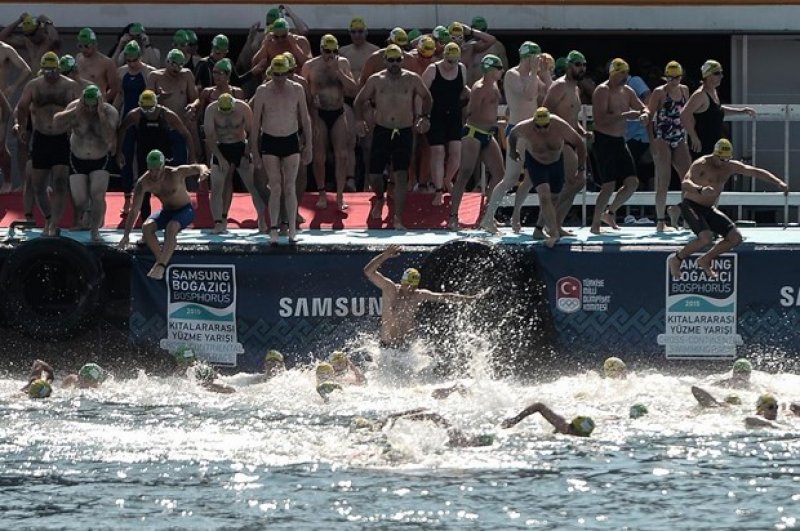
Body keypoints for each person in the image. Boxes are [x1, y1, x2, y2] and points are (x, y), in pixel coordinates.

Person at [668, 139, 788, 279]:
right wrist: (700, 190)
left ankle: (705, 259)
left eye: (727, 159)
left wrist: (778, 182)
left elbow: (755, 172)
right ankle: (676, 259)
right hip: (691, 205)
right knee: (706, 238)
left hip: (708, 209)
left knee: (735, 237)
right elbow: (685, 183)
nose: (724, 163)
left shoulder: (730, 166)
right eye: (721, 159)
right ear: (714, 155)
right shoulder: (702, 164)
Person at [354, 44, 432, 229]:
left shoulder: (412, 79)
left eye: (398, 60)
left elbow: (427, 97)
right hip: (382, 129)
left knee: (401, 174)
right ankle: (380, 198)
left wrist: (424, 117)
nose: (395, 64)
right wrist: (359, 121)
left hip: (404, 130)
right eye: (391, 60)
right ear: (385, 61)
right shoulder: (376, 80)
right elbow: (359, 101)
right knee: (374, 175)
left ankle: (397, 217)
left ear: (402, 60)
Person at [487, 107, 586, 247]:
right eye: (538, 127)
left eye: (545, 126)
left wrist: (581, 169)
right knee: (544, 196)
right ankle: (553, 233)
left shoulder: (559, 125)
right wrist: (513, 152)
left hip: (556, 163)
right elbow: (513, 134)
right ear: (533, 123)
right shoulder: (525, 127)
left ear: (550, 122)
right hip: (536, 163)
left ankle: (539, 229)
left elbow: (580, 144)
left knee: (554, 198)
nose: (542, 130)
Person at [363, 244, 488, 348]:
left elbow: (445, 297)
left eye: (413, 287)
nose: (410, 290)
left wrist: (469, 299)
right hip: (387, 347)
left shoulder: (418, 295)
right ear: (402, 282)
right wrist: (384, 256)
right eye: (408, 286)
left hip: (407, 348)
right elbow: (368, 271)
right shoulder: (390, 289)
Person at [14, 51, 80, 235]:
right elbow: (21, 106)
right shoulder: (34, 85)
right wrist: (21, 128)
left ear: (59, 68)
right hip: (41, 137)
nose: (51, 74)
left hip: (62, 138)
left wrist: (76, 131)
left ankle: (53, 224)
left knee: (60, 182)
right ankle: (49, 217)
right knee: (38, 186)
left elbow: (81, 108)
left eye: (54, 70)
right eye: (47, 70)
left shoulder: (70, 86)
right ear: (42, 70)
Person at [118, 149, 210, 280]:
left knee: (171, 228)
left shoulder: (175, 173)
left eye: (157, 169)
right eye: (151, 170)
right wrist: (126, 235)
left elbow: (198, 166)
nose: (154, 174)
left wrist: (203, 171)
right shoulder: (143, 182)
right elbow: (134, 211)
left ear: (163, 166)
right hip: (166, 212)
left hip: (185, 210)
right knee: (146, 228)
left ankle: (160, 265)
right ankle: (161, 262)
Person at [251, 54, 313, 244]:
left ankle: (292, 228)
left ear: (288, 72)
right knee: (275, 187)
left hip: (290, 140)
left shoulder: (297, 89)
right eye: (275, 75)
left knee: (289, 187)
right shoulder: (262, 91)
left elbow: (305, 118)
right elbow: (255, 124)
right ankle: (275, 228)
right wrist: (254, 150)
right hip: (270, 140)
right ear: (271, 73)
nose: (279, 79)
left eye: (282, 75)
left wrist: (309, 145)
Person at [590, 58, 649, 234]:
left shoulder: (628, 91)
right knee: (608, 185)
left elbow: (642, 107)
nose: (625, 77)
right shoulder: (602, 90)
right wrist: (623, 115)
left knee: (632, 183)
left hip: (620, 141)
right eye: (621, 73)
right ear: (613, 73)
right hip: (603, 141)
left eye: (626, 73)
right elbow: (599, 120)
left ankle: (610, 212)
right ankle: (595, 224)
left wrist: (645, 115)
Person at [52, 84, 119, 240]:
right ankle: (89, 217)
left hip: (100, 159)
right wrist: (75, 112)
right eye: (87, 106)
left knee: (97, 195)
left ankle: (95, 230)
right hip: (77, 159)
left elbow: (109, 136)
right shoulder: (75, 108)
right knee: (81, 201)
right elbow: (56, 123)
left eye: (93, 106)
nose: (90, 110)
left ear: (99, 102)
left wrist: (101, 116)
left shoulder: (109, 112)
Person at [116, 90, 195, 220]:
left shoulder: (167, 114)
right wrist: (119, 152)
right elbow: (122, 130)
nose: (147, 112)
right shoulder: (135, 115)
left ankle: (172, 215)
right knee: (143, 188)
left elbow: (185, 134)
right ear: (139, 105)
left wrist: (192, 156)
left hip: (165, 157)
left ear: (156, 104)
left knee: (168, 188)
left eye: (150, 108)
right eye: (144, 108)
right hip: (145, 157)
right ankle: (145, 219)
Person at [448, 54, 505, 230]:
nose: (502, 71)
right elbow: (472, 113)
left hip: (488, 134)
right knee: (465, 174)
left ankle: (487, 215)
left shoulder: (495, 85)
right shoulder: (479, 88)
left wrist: (495, 123)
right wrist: (494, 123)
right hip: (473, 133)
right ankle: (453, 216)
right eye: (499, 68)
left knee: (499, 174)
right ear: (490, 69)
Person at [301, 34, 358, 211]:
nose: (330, 55)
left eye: (334, 51)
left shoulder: (343, 63)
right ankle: (322, 193)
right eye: (327, 51)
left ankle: (340, 196)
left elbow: (353, 89)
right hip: (319, 114)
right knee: (319, 157)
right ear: (321, 49)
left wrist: (339, 73)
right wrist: (312, 111)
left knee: (342, 155)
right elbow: (303, 93)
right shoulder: (310, 66)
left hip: (338, 112)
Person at [205, 92, 264, 234]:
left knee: (253, 187)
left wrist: (246, 153)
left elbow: (254, 133)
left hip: (240, 147)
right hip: (221, 146)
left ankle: (262, 219)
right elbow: (210, 137)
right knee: (217, 187)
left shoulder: (243, 108)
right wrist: (220, 158)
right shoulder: (211, 110)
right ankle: (218, 222)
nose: (226, 115)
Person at [646, 61, 691, 232]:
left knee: (687, 179)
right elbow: (649, 116)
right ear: (666, 77)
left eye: (677, 78)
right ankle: (660, 221)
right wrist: (653, 142)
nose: (674, 81)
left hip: (679, 137)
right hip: (662, 138)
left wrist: (692, 135)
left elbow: (688, 113)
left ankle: (685, 216)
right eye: (671, 78)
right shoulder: (659, 92)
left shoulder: (685, 90)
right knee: (663, 180)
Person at [422, 42, 468, 207]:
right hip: (435, 115)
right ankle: (438, 190)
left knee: (456, 154)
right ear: (444, 57)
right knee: (438, 152)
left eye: (455, 61)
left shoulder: (462, 69)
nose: (452, 65)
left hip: (454, 115)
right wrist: (422, 116)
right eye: (449, 61)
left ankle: (448, 180)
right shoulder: (432, 70)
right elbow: (421, 94)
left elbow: (463, 91)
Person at [113, 40, 156, 216]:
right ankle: (127, 200)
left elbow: (153, 99)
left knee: (144, 159)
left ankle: (144, 199)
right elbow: (119, 97)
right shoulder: (121, 72)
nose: (131, 64)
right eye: (128, 60)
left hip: (145, 120)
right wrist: (113, 116)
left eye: (134, 60)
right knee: (125, 158)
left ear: (140, 56)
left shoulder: (148, 73)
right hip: (127, 119)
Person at [681, 60, 755, 160]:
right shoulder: (700, 95)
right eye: (717, 73)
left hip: (714, 144)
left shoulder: (713, 92)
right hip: (702, 146)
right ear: (707, 76)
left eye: (721, 73)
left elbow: (718, 109)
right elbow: (684, 114)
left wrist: (741, 111)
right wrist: (694, 137)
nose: (721, 76)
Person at [147, 48, 199, 166]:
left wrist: (192, 105)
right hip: (160, 128)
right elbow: (147, 102)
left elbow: (195, 98)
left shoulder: (186, 75)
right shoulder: (155, 76)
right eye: (174, 64)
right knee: (158, 164)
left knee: (180, 165)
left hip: (180, 126)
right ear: (167, 62)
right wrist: (159, 98)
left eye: (180, 65)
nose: (176, 69)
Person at [354, 408, 495, 447]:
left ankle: (387, 420)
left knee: (429, 413)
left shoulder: (456, 439)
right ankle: (388, 419)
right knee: (429, 412)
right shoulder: (457, 435)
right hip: (439, 421)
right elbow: (433, 416)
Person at [75, 28, 119, 103]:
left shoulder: (107, 63)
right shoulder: (78, 58)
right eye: (80, 46)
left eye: (87, 46)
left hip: (96, 104)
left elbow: (114, 89)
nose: (83, 50)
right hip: (79, 103)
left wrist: (102, 102)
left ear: (95, 44)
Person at [501, 402, 596, 437]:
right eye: (578, 434)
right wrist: (515, 420)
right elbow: (539, 406)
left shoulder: (566, 429)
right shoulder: (561, 424)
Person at [446, 21, 497, 86]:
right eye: (453, 38)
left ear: (463, 36)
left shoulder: (469, 48)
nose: (457, 40)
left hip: (468, 90)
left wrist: (471, 31)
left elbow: (491, 40)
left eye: (460, 37)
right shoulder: (444, 51)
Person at [466, 16, 508, 85]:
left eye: (482, 30)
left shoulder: (497, 46)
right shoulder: (468, 47)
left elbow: (504, 68)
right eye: (478, 30)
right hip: (471, 88)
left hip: (489, 88)